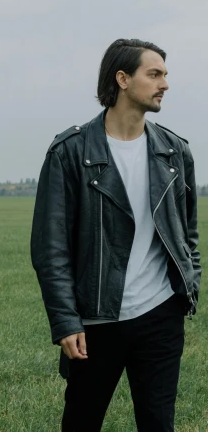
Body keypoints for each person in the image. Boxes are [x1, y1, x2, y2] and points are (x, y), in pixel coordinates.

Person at [30, 38, 201, 431]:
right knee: (81, 422)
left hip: (161, 315)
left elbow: (187, 231)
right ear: (122, 79)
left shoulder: (175, 152)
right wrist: (66, 322)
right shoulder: (70, 151)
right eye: (154, 74)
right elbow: (49, 248)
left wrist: (187, 284)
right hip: (96, 321)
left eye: (165, 75)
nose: (165, 84)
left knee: (159, 424)